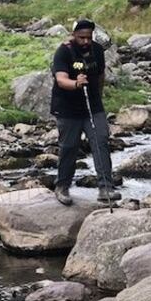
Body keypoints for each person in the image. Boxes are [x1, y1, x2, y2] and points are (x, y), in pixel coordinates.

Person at [50, 19, 120, 206]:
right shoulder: (64, 51)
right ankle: (62, 186)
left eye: (89, 37)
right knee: (69, 147)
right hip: (67, 107)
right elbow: (61, 79)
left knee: (101, 142)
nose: (86, 41)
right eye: (82, 37)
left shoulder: (97, 50)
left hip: (92, 105)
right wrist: (76, 84)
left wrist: (98, 95)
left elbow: (100, 75)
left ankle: (106, 187)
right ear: (74, 35)